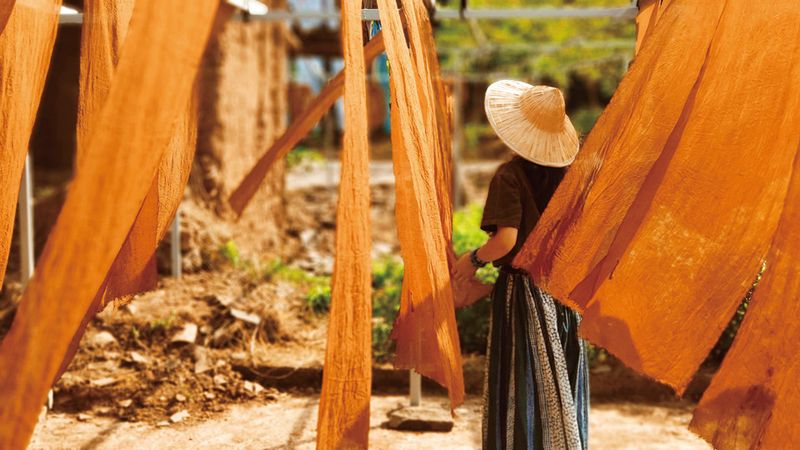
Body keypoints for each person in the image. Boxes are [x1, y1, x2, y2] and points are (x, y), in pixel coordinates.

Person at [453, 80, 589, 450]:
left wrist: (473, 260)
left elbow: (506, 242)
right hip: (563, 295)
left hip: (526, 299)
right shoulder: (571, 178)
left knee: (522, 383)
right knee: (561, 387)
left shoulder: (509, 177)